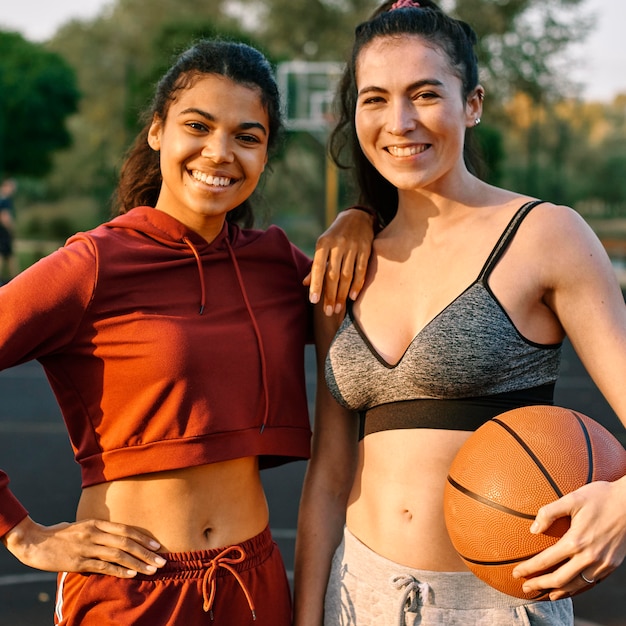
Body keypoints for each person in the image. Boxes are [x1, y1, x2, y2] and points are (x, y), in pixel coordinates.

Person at [0, 39, 374, 625]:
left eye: (247, 137)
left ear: (265, 153)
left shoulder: (276, 263)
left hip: (252, 583)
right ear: (157, 132)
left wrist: (361, 216)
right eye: (197, 126)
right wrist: (19, 531)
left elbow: (383, 313)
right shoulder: (94, 264)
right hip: (132, 592)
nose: (220, 152)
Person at [293, 2, 626, 625]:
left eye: (424, 94)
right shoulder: (344, 264)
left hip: (498, 604)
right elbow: (331, 468)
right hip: (359, 594)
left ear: (472, 103)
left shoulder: (544, 235)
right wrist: (307, 615)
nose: (400, 121)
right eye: (375, 98)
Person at [0, 178, 18, 282]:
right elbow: (5, 216)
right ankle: (16, 280)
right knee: (8, 254)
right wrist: (11, 229)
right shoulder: (5, 200)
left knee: (5, 254)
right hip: (3, 230)